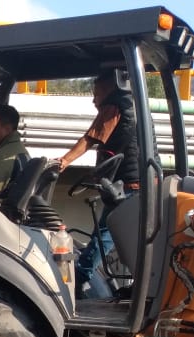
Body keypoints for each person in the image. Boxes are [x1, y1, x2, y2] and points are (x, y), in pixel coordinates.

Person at [58, 70, 139, 297]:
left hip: (128, 187)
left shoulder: (114, 107)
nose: (94, 100)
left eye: (96, 94)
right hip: (136, 183)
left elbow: (91, 138)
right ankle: (138, 284)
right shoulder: (133, 107)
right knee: (126, 237)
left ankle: (79, 279)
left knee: (105, 232)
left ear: (107, 90)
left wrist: (64, 160)